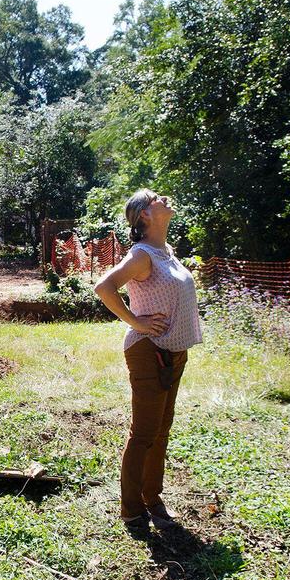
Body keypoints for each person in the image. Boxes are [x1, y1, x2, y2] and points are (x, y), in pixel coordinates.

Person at [94, 190, 202, 534]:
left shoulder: (166, 252)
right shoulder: (142, 255)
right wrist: (136, 322)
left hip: (173, 351)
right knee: (143, 433)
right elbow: (104, 287)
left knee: (161, 430)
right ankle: (132, 510)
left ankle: (152, 498)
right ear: (144, 216)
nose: (166, 198)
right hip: (149, 350)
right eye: (156, 197)